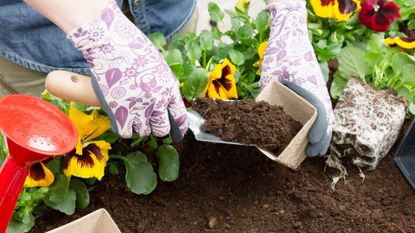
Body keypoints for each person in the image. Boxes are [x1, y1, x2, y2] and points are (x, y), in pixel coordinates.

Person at [1, 0, 333, 157]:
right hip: (52, 33)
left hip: (164, 11)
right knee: (52, 142)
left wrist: (288, 13)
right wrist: (97, 31)